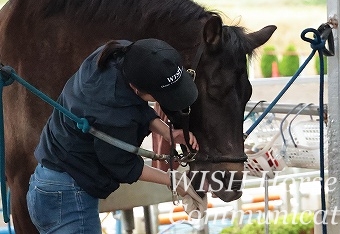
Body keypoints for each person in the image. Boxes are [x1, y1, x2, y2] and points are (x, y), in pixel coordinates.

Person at [27, 39, 207, 233]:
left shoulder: (119, 54)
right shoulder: (112, 116)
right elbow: (124, 166)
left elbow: (133, 102)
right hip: (68, 199)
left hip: (47, 182)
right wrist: (174, 181)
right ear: (138, 88)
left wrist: (166, 132)